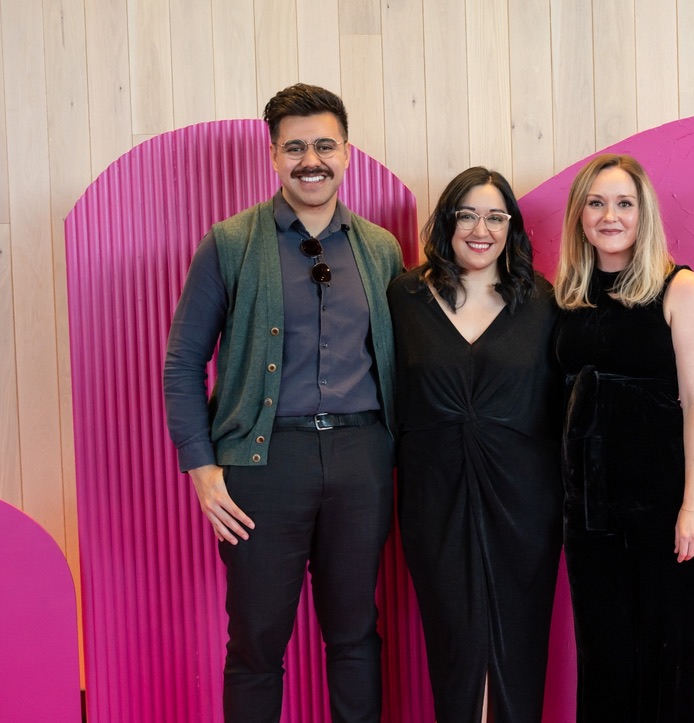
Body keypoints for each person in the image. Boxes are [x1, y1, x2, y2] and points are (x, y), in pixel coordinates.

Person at [163, 83, 403, 723]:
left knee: (355, 634)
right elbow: (183, 361)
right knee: (256, 644)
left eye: (324, 145)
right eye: (294, 147)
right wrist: (202, 468)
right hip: (264, 467)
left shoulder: (380, 250)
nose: (310, 160)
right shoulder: (231, 243)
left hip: (361, 461)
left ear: (347, 153)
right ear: (273, 157)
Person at [387, 167, 563, 722]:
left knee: (518, 642)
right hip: (433, 500)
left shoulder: (541, 300)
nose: (480, 229)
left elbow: (561, 403)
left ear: (510, 227)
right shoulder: (405, 296)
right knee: (457, 644)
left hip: (525, 505)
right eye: (467, 214)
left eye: (495, 216)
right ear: (447, 222)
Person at [553, 153, 694, 722]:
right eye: (596, 203)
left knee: (664, 664)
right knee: (603, 666)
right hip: (590, 517)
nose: (610, 216)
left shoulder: (679, 287)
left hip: (666, 510)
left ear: (643, 213)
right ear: (580, 215)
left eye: (624, 203)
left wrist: (693, 506)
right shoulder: (569, 296)